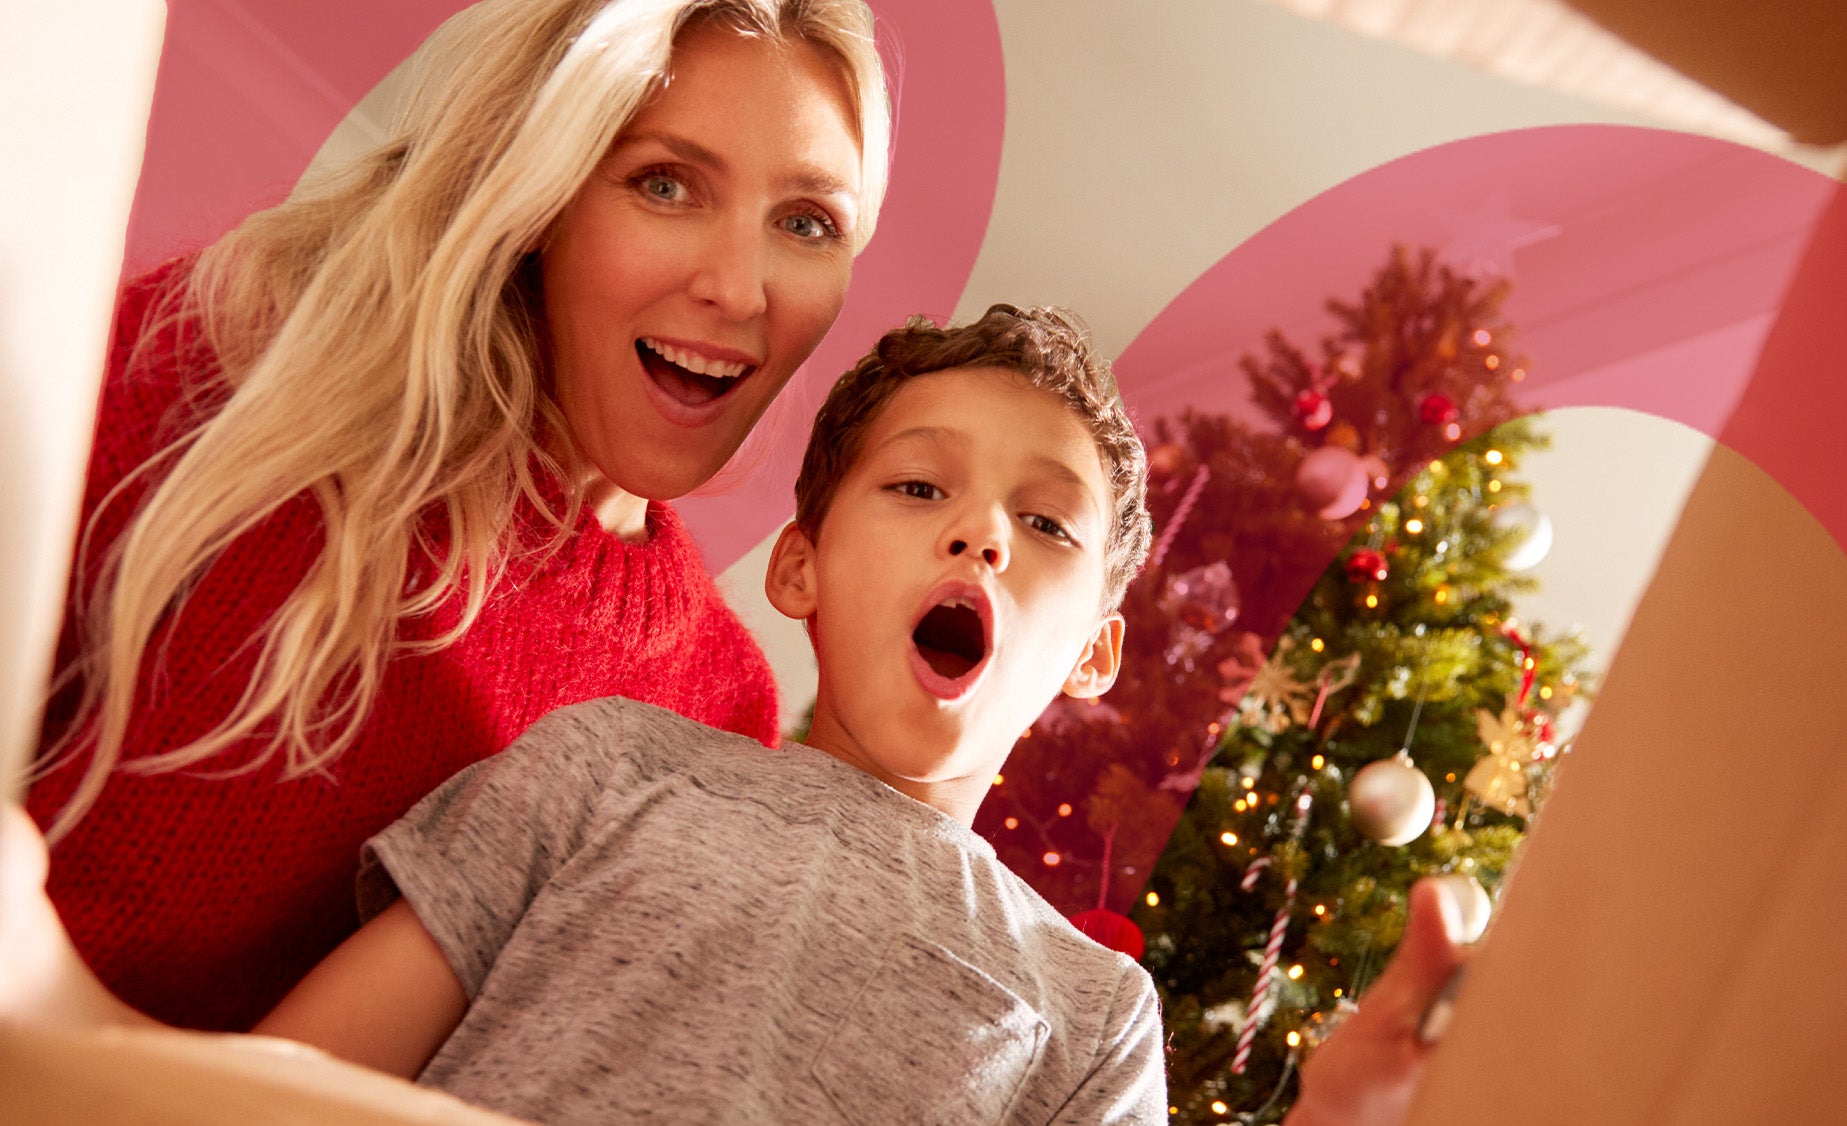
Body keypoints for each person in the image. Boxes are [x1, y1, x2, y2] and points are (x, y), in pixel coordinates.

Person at [9, 305, 1170, 1123]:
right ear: (799, 569)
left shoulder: (1096, 1013)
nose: (982, 534)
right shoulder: (609, 760)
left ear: (1094, 652)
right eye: (918, 486)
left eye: (1047, 524)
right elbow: (285, 1081)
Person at [24, 0, 891, 1033]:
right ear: (545, 191)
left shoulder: (721, 710)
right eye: (664, 184)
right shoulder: (241, 362)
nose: (739, 290)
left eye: (806, 222)